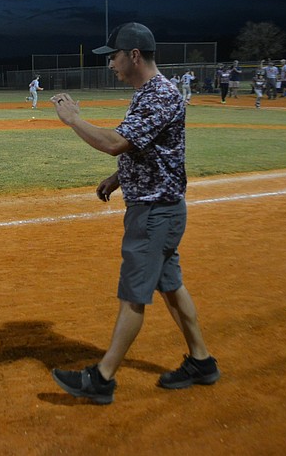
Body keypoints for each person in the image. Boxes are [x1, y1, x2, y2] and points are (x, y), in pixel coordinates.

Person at [48, 22, 219, 405]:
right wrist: (118, 178)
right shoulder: (147, 93)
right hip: (159, 206)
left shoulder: (159, 95)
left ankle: (102, 377)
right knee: (171, 288)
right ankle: (202, 361)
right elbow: (148, 151)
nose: (110, 64)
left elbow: (116, 143)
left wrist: (73, 119)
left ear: (134, 55)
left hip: (155, 214)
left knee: (133, 295)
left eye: (114, 56)